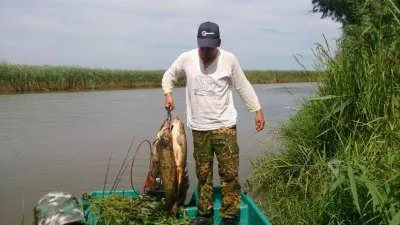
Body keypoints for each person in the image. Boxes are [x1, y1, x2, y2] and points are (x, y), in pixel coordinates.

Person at [162, 21, 265, 225]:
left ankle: (229, 215)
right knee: (203, 173)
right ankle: (205, 214)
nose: (205, 51)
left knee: (229, 173)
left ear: (218, 42)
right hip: (199, 128)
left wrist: (257, 110)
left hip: (225, 126)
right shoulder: (186, 59)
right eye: (202, 45)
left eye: (210, 46)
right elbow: (169, 76)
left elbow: (243, 86)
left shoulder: (229, 60)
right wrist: (168, 94)